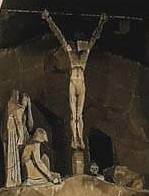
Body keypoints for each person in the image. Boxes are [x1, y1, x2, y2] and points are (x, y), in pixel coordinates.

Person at [43, 11, 107, 156]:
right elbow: (60, 37)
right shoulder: (71, 54)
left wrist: (102, 22)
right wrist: (49, 20)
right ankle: (74, 138)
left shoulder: (85, 54)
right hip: (73, 83)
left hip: (80, 84)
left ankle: (80, 140)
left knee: (79, 115)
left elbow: (94, 38)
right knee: (74, 115)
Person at [3, 90, 34, 188]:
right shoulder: (16, 109)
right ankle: (16, 178)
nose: (25, 101)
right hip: (17, 137)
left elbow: (30, 127)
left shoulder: (23, 111)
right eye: (24, 99)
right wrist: (20, 136)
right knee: (17, 157)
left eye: (27, 100)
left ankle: (27, 176)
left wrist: (29, 108)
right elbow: (18, 124)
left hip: (25, 136)